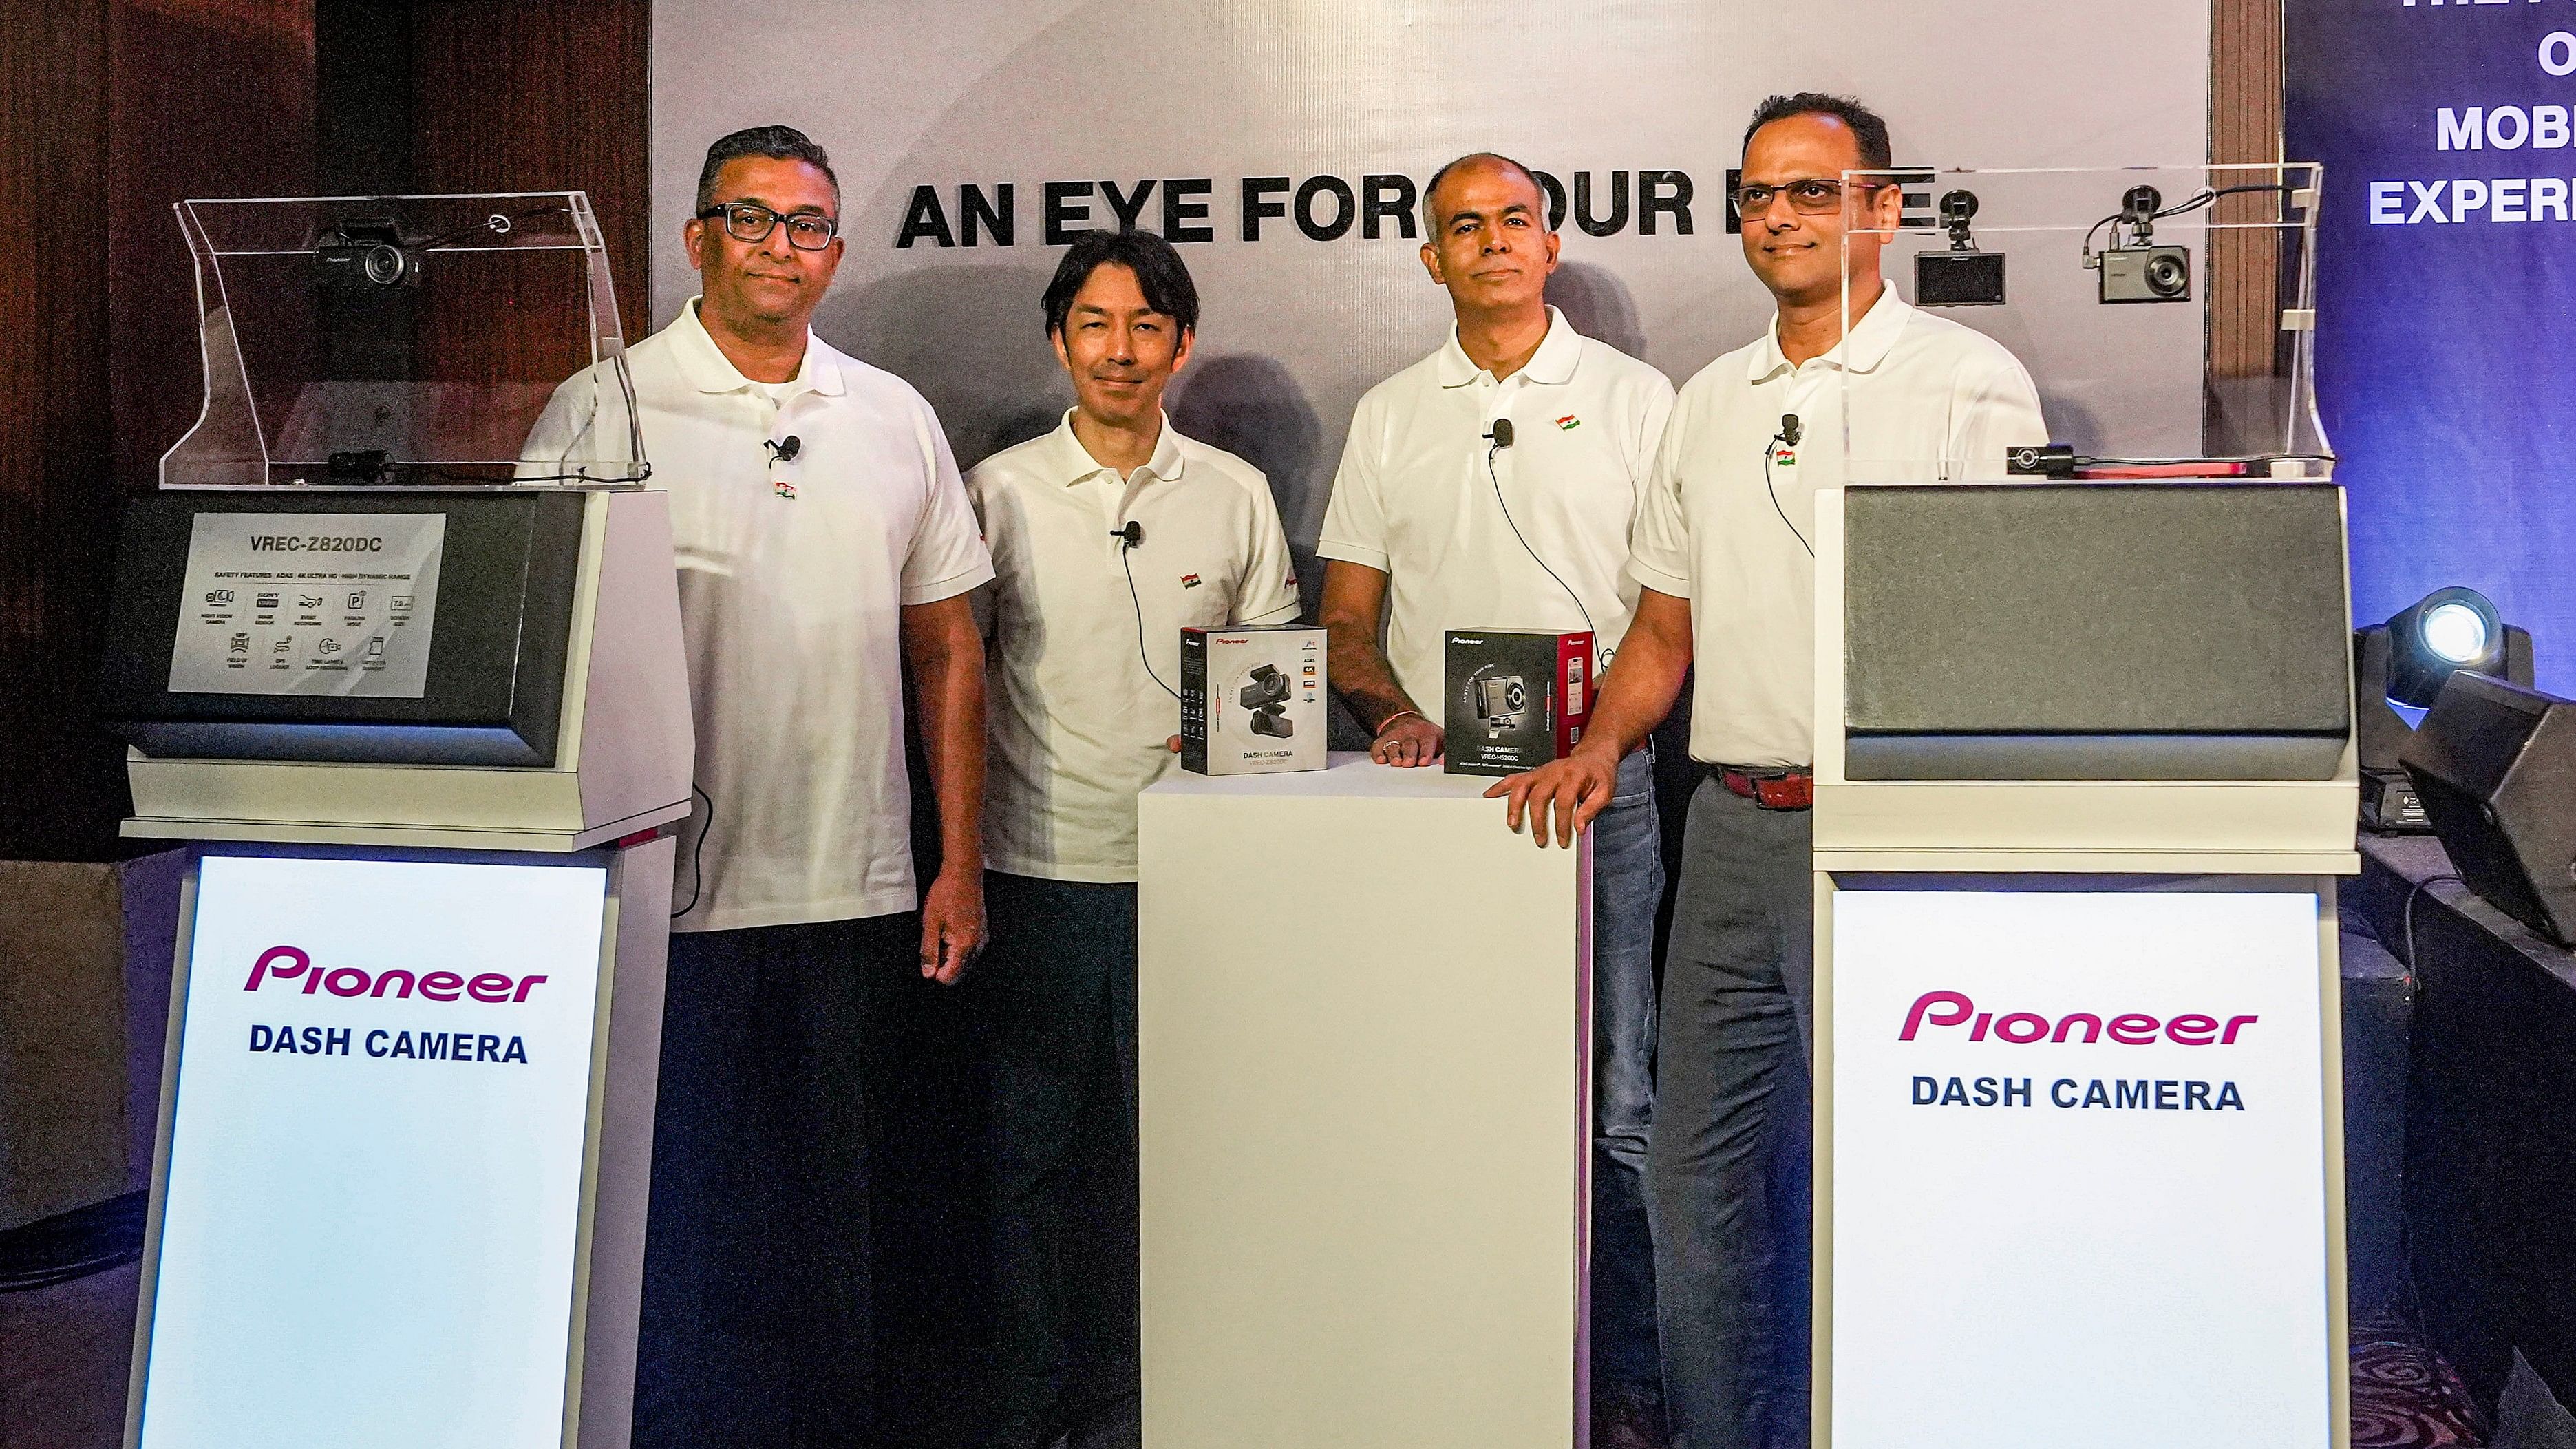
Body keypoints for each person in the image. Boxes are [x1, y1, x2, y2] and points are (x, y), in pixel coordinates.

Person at [1489, 95, 2046, 1449]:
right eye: (1758, 195)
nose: (1780, 217)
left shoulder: (1968, 383)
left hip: (1894, 837)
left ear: (1882, 210)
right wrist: (1603, 743)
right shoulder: (1708, 403)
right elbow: (1663, 630)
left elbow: (2022, 617)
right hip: (1730, 833)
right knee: (1697, 1187)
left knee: (1906, 1175)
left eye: (1810, 190)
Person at [524, 124, 994, 1448]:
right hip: (664, 890)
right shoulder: (606, 404)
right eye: (753, 219)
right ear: (696, 238)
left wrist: (957, 861)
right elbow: (541, 637)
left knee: (844, 1224)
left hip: (857, 882)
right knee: (682, 1222)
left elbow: (948, 643)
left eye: (807, 225)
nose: (781, 247)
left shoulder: (891, 411)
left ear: (836, 252)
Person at [1314, 151, 1676, 1445]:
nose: (1491, 243)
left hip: (1602, 794)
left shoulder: (1638, 399)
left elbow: (1670, 612)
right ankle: (1448, 1357)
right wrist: (1395, 714)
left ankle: (1626, 1380)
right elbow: (1346, 619)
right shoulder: (1392, 412)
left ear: (1552, 238)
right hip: (1424, 808)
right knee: (1437, 1089)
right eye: (1462, 228)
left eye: (1513, 220)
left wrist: (1602, 742)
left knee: (1619, 1108)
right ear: (1430, 257)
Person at [965, 229, 1300, 1449]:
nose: (1119, 349)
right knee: (1036, 1165)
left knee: (1202, 1155)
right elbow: (956, 677)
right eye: (1095, 324)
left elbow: (1277, 681)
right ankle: (1037, 1408)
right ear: (1060, 341)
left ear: (1181, 344)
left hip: (1201, 887)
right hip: (1044, 871)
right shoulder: (997, 490)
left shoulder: (1233, 489)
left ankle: (1203, 1395)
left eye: (1145, 325)